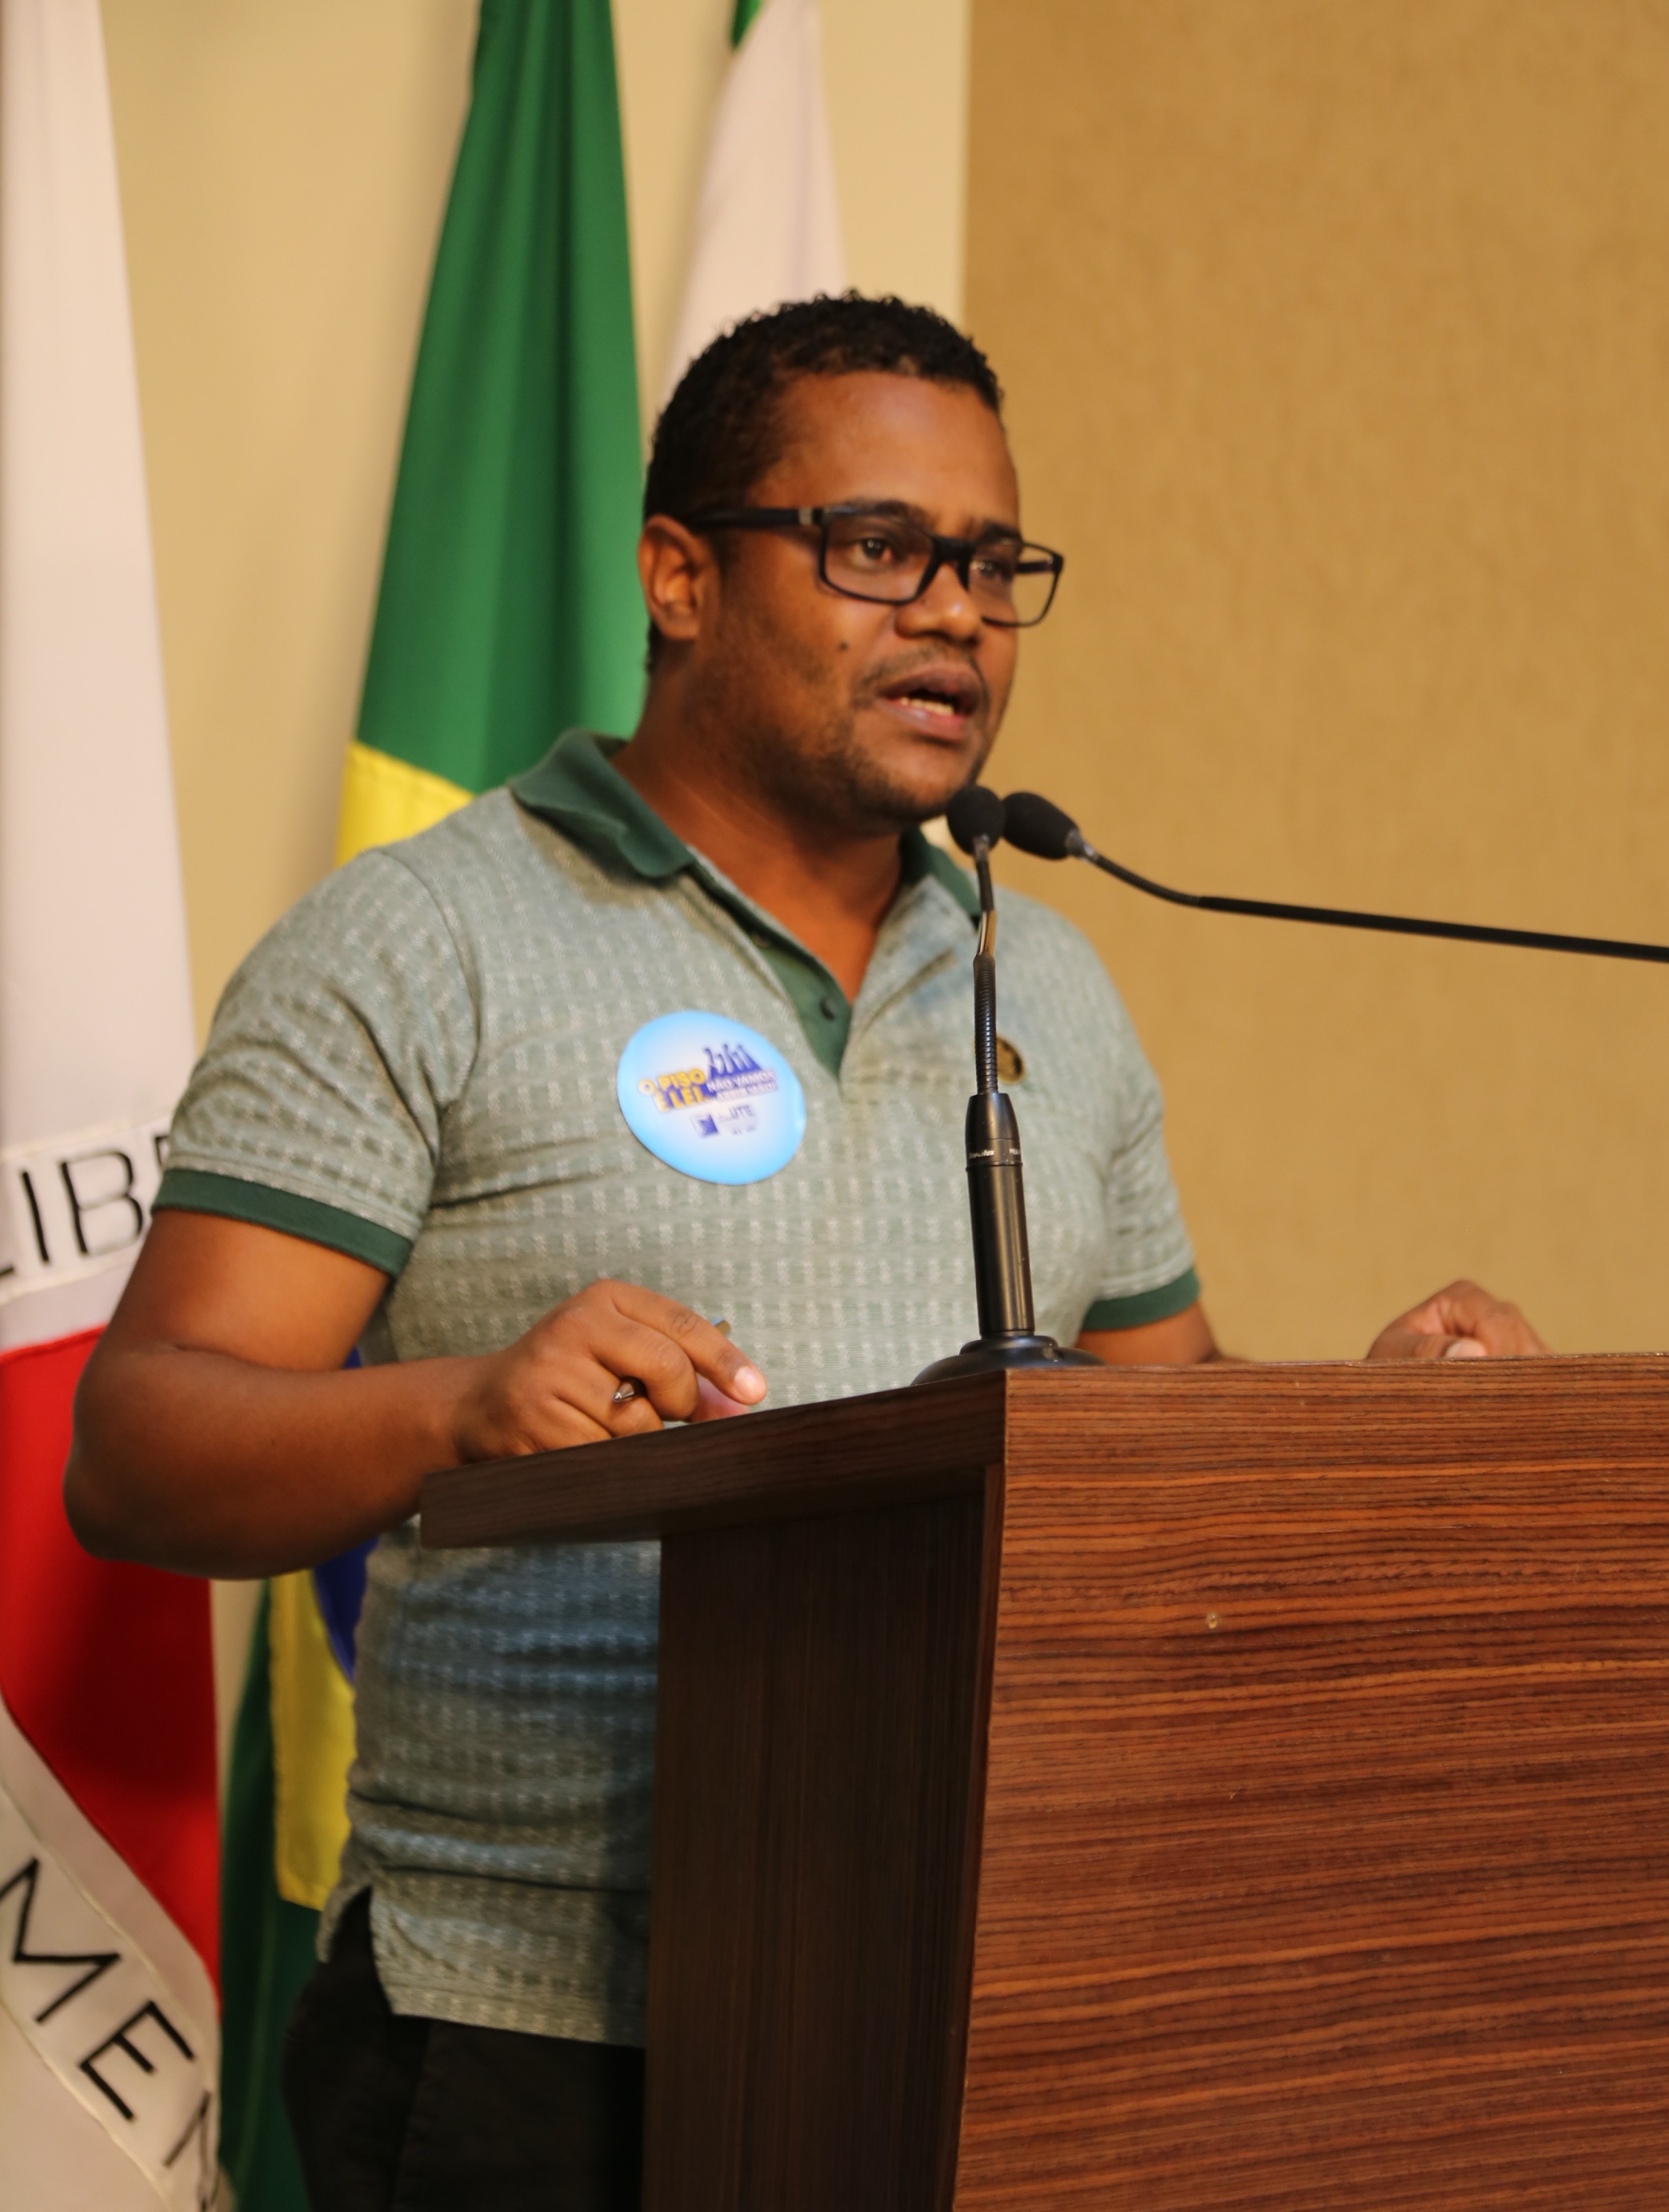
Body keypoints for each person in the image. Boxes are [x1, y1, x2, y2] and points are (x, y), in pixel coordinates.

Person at [66, 295, 1545, 2210]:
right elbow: (142, 1447)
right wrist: (465, 1408)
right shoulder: (422, 939)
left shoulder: (1046, 982)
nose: (956, 614)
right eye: (877, 549)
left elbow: (1153, 1427)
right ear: (680, 575)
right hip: (535, 2033)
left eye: (992, 566)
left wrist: (1377, 1425)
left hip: (968, 1997)